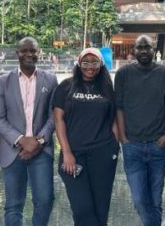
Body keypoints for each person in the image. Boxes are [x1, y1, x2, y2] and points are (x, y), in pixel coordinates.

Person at [0, 37, 58, 226]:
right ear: (17, 53)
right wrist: (21, 140)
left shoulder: (50, 79)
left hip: (41, 151)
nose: (29, 54)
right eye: (25, 51)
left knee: (45, 201)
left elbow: (54, 116)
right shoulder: (3, 81)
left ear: (39, 53)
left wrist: (39, 142)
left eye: (33, 51)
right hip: (13, 152)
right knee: (13, 204)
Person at [53, 48, 119, 225]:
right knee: (82, 209)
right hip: (74, 155)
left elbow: (113, 119)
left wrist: (116, 145)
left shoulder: (107, 88)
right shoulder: (66, 86)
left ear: (101, 65)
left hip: (103, 154)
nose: (90, 67)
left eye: (95, 62)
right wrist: (66, 153)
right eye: (86, 62)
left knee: (101, 209)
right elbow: (59, 120)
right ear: (79, 63)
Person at [115, 34, 165, 226]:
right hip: (133, 145)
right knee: (140, 200)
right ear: (134, 50)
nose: (143, 51)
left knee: (155, 201)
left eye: (147, 47)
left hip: (158, 145)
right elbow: (119, 107)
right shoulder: (123, 74)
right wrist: (123, 138)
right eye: (139, 48)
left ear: (153, 49)